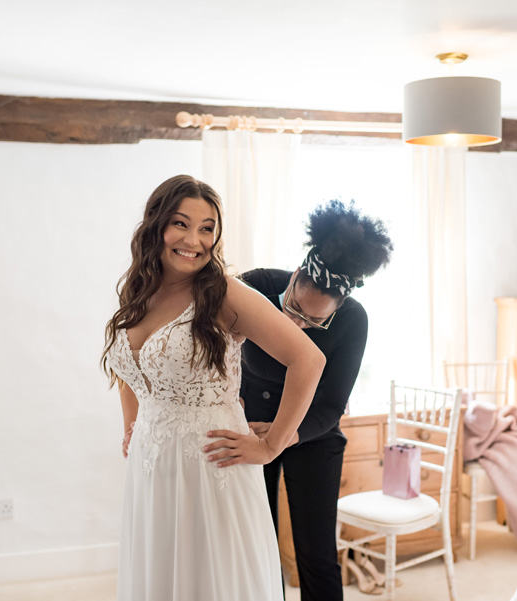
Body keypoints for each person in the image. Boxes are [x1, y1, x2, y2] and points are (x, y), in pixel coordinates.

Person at [101, 175, 326, 601]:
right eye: (181, 224)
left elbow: (309, 360)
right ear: (156, 226)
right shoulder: (138, 292)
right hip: (152, 467)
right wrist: (132, 423)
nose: (195, 239)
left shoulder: (223, 293)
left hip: (210, 467)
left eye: (207, 228)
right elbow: (131, 368)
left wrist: (271, 445)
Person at [208, 200, 393, 601]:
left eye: (313, 323)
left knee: (316, 553)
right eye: (292, 309)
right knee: (258, 542)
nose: (296, 327)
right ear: (293, 277)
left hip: (312, 435)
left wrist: (281, 435)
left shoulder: (353, 321)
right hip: (249, 428)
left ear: (338, 310)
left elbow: (331, 406)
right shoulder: (254, 286)